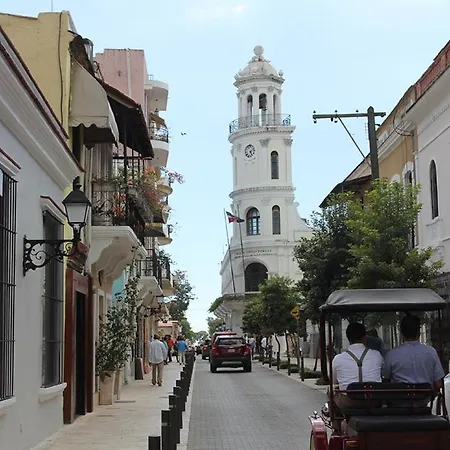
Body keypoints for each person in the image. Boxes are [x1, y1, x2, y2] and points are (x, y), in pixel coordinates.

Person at [383, 314, 445, 393]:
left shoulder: (392, 354)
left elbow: (386, 378)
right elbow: (438, 384)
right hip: (425, 398)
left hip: (400, 398)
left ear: (402, 332)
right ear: (418, 332)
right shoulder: (431, 352)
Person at [332, 322, 383, 409]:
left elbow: (334, 380)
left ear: (348, 338)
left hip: (348, 402)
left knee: (331, 391)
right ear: (365, 337)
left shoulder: (338, 359)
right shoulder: (377, 355)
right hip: (373, 401)